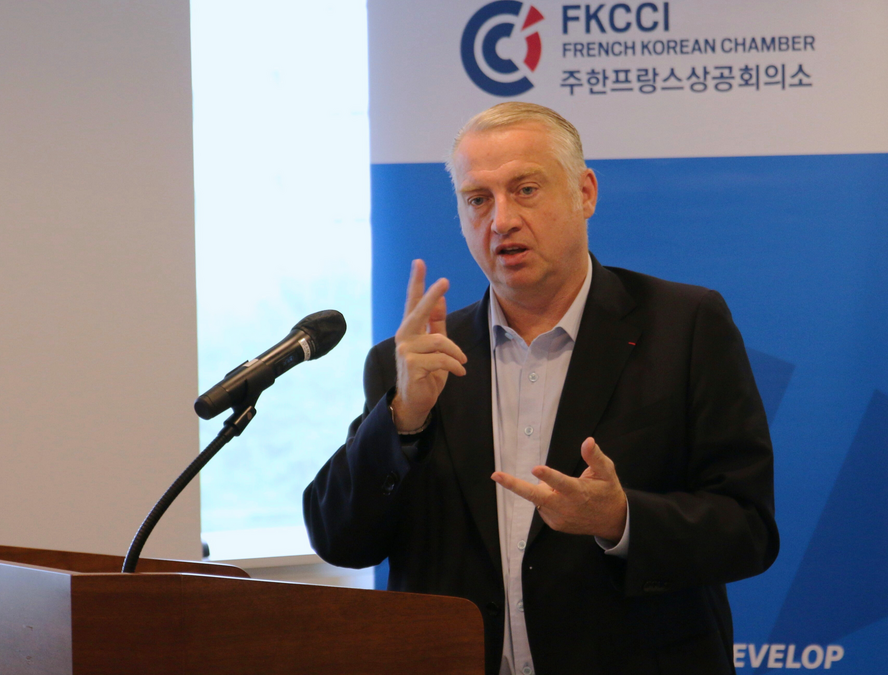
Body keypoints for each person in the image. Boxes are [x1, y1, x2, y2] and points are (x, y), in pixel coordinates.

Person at [303, 102, 778, 675]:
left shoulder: (685, 326)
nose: (501, 220)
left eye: (525, 190)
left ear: (585, 193)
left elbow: (748, 529)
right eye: (478, 199)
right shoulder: (411, 363)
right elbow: (341, 541)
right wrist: (402, 419)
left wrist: (621, 519)